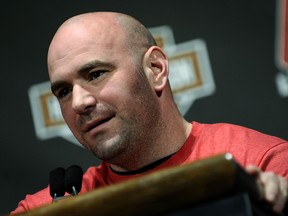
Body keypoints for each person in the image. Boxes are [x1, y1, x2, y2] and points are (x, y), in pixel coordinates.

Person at [11, 11, 288, 215]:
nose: (78, 103)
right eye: (64, 92)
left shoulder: (263, 167)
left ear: (156, 69)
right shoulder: (46, 210)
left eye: (95, 74)